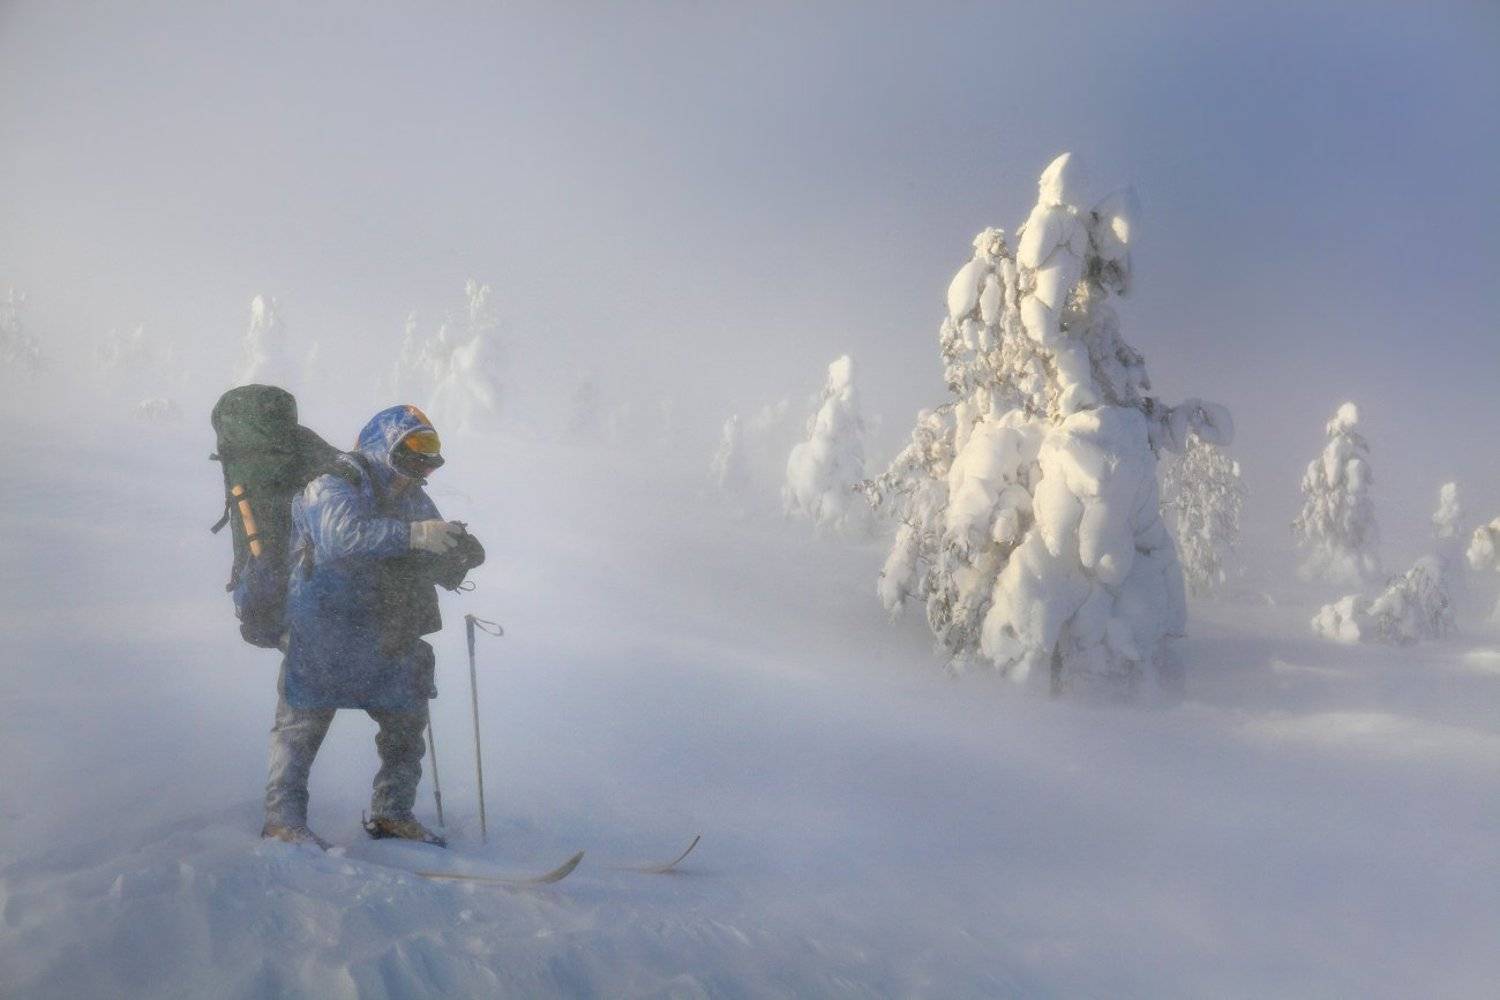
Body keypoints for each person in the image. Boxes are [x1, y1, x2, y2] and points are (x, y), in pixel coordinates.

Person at [261, 404, 476, 848]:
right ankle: (284, 821)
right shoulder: (333, 482)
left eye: (429, 451)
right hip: (323, 626)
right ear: (384, 445)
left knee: (406, 723)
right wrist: (416, 535)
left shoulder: (411, 493)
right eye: (413, 448)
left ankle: (393, 814)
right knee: (301, 728)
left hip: (384, 629)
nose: (421, 463)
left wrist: (455, 554)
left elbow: (425, 546)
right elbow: (340, 538)